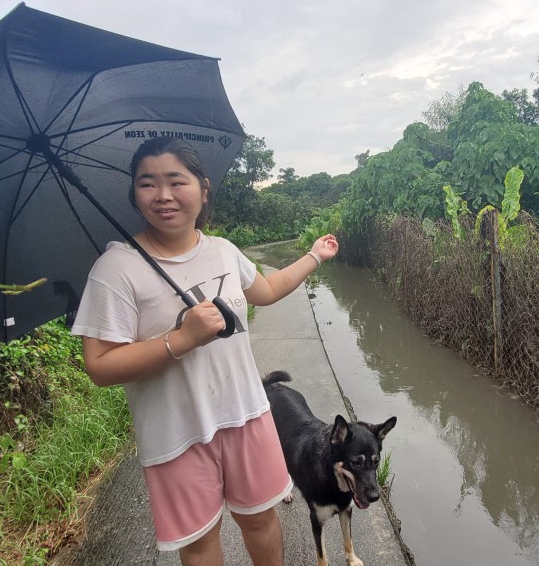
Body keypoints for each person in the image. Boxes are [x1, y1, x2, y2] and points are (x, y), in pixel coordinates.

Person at [71, 136, 339, 566]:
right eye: (147, 183)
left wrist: (314, 256)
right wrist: (181, 340)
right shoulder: (116, 269)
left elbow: (266, 291)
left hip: (247, 414)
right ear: (134, 193)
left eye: (176, 181)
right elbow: (100, 365)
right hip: (177, 433)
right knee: (198, 543)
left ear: (203, 188)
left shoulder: (223, 251)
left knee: (260, 520)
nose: (163, 195)